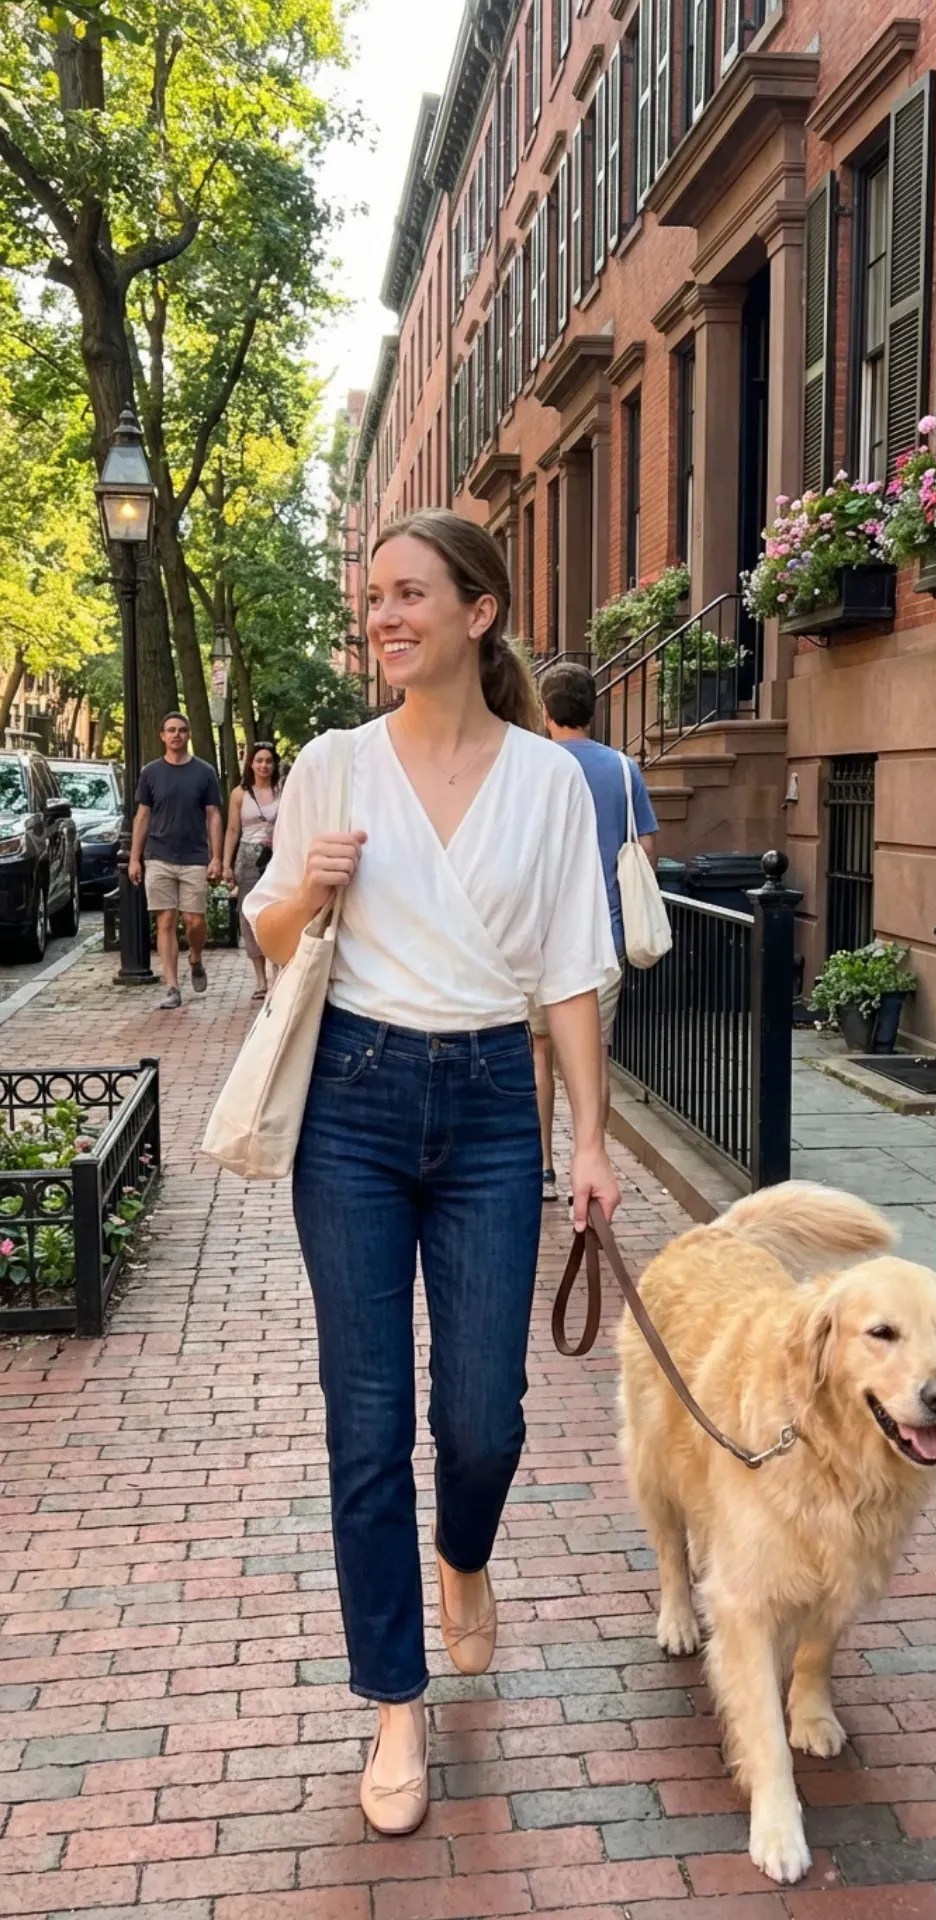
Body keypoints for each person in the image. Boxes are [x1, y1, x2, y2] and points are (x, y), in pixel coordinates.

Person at [244, 509, 621, 1838]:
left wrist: (593, 1136)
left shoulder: (547, 782)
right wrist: (308, 890)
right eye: (375, 601)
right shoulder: (334, 767)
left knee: (484, 1417)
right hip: (350, 1102)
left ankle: (467, 1555)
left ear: (482, 610)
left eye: (412, 594)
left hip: (487, 1110)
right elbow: (268, 936)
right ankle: (394, 1704)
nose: (387, 617)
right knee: (364, 1419)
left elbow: (574, 968)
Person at [529, 661, 658, 1200]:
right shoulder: (625, 770)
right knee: (594, 1054)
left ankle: (543, 1167)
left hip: (535, 940)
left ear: (545, 711)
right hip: (602, 939)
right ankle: (593, 1151)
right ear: (592, 709)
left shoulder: (531, 767)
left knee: (538, 1050)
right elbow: (645, 850)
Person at [129, 712, 223, 1011]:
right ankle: (172, 986)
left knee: (194, 921)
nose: (176, 735)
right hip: (158, 856)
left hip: (195, 857)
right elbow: (142, 816)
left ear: (189, 734)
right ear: (162, 735)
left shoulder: (204, 772)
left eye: (182, 730)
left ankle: (195, 957)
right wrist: (134, 858)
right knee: (166, 921)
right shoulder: (150, 773)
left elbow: (213, 815)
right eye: (171, 730)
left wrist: (216, 858)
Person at [223, 742, 282, 1001]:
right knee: (249, 916)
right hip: (247, 857)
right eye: (259, 760)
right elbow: (233, 830)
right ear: (251, 763)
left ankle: (278, 971)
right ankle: (260, 978)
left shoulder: (283, 790)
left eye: (268, 761)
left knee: (278, 911)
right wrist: (225, 863)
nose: (264, 765)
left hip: (277, 856)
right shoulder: (239, 794)